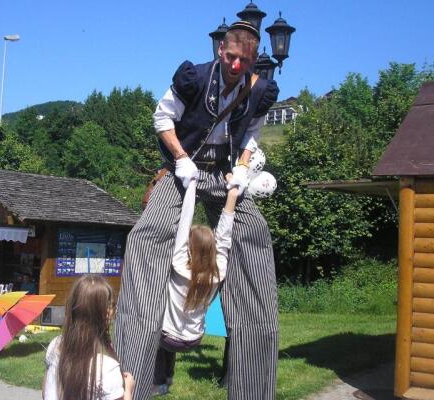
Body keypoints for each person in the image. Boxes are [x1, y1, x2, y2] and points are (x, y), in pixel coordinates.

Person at [114, 20, 279, 399]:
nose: (237, 65)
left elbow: (252, 131)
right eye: (232, 57)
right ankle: (128, 383)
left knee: (255, 235)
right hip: (182, 169)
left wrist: (242, 166)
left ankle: (253, 389)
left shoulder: (259, 90)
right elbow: (161, 118)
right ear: (221, 50)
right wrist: (181, 158)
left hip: (224, 176)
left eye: (245, 60)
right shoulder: (195, 78)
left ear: (254, 60)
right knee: (147, 235)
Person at [152, 177, 238, 395]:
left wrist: (191, 186)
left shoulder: (179, 265)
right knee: (170, 330)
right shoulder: (218, 273)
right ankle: (166, 379)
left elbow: (183, 222)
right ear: (212, 250)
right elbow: (225, 236)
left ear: (189, 248)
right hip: (194, 339)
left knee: (158, 332)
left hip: (168, 337)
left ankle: (159, 381)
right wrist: (232, 195)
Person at [43, 275, 135, 400]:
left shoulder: (56, 344)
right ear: (106, 313)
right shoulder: (107, 367)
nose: (114, 309)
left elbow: (47, 391)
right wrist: (128, 389)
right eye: (113, 305)